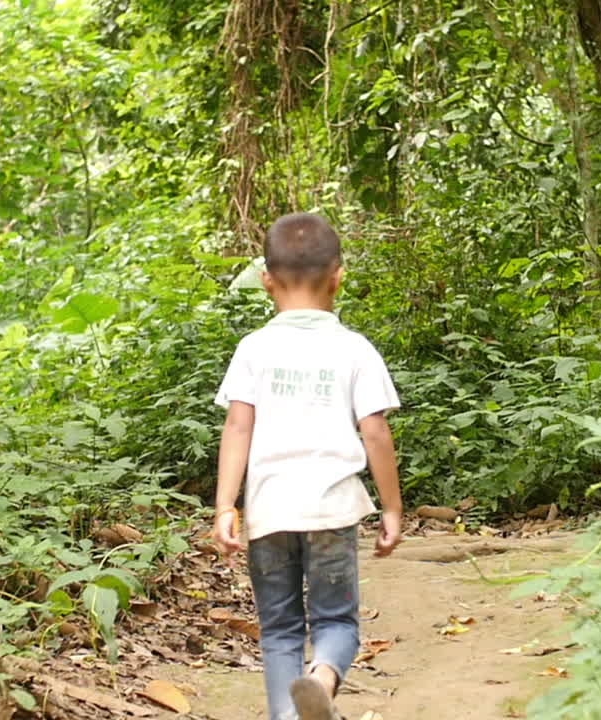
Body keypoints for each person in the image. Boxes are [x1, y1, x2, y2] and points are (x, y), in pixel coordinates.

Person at [212, 212, 404, 720]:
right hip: (332, 510)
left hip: (270, 510)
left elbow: (237, 427)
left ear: (265, 280)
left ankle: (287, 717)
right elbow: (376, 430)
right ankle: (322, 678)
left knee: (278, 629)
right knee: (337, 622)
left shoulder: (253, 349)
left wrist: (225, 506)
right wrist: (392, 509)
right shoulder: (354, 349)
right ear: (338, 276)